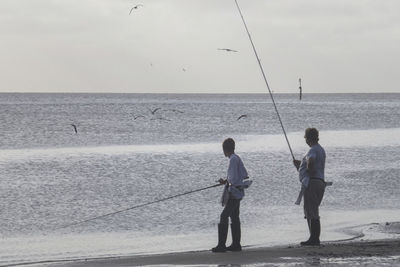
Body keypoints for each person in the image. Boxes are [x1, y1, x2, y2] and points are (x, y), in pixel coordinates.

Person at [211, 138, 252, 253]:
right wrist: (225, 181)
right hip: (238, 192)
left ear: (225, 149)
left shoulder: (233, 159)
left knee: (224, 216)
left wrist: (228, 182)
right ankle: (236, 244)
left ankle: (221, 245)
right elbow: (242, 175)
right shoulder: (236, 158)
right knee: (234, 217)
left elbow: (233, 179)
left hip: (234, 193)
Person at [293, 128, 326, 246]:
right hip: (320, 182)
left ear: (309, 138)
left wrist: (307, 170)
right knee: (313, 210)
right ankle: (314, 237)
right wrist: (300, 166)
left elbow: (311, 162)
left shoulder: (312, 150)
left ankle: (314, 238)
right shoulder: (320, 149)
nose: (305, 140)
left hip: (312, 182)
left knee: (311, 211)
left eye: (306, 137)